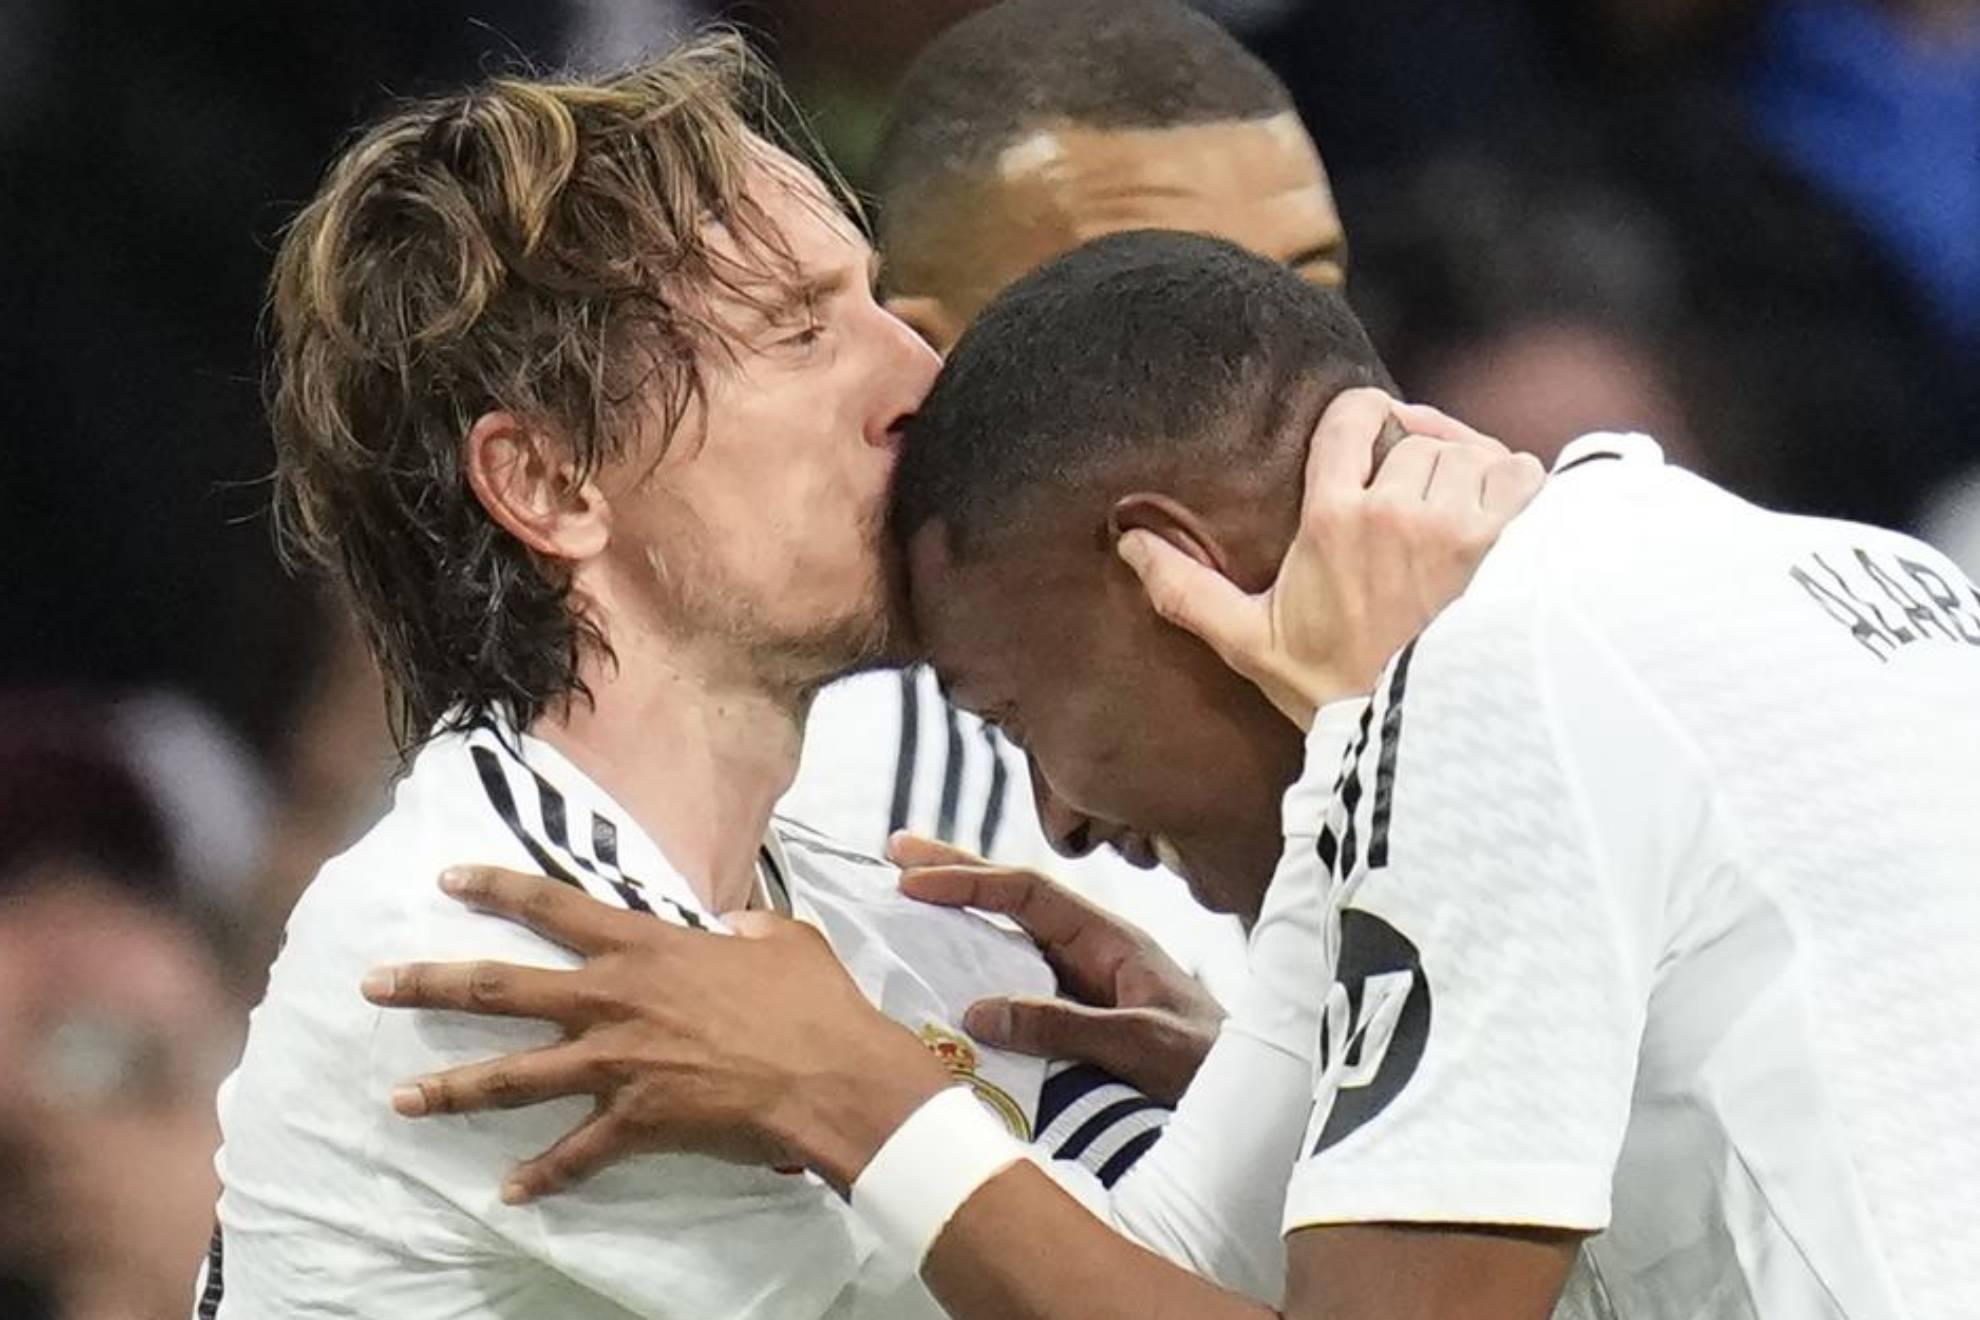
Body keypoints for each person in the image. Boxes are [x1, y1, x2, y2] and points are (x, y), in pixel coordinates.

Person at [368, 232, 1980, 1319]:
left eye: (1006, 713)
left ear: (1166, 570)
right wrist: (1299, 1066)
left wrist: (853, 1092)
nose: (1061, 819)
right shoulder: (1800, 564)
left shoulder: (1490, 687)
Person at [210, 38, 1521, 1319]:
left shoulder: (870, 927)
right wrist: (1369, 753)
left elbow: (1170, 1261)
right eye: (797, 332)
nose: (920, 380)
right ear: (550, 483)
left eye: (877, 306)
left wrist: (1227, 1062)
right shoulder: (507, 955)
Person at [783, 0, 1349, 996]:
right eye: (1165, 319)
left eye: (1314, 292)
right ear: (929, 370)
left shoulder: (1542, 625)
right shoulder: (859, 801)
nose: (1295, 375)